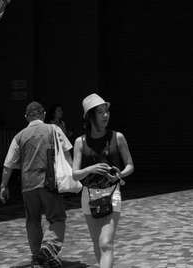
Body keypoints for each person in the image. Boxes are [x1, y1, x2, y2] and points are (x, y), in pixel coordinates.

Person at [0, 101, 73, 268]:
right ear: (44, 114)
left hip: (28, 185)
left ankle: (36, 256)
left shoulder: (19, 136)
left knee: (32, 220)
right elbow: (67, 153)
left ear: (26, 117)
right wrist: (72, 176)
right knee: (57, 218)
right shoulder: (53, 129)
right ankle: (48, 247)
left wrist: (3, 186)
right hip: (49, 182)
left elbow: (8, 165)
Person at [72, 94, 134, 268]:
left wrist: (120, 174)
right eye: (100, 112)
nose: (106, 115)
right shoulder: (80, 142)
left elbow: (130, 165)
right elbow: (75, 175)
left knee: (105, 243)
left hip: (112, 193)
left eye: (106, 111)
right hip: (89, 195)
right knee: (97, 242)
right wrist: (90, 169)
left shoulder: (118, 137)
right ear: (90, 116)